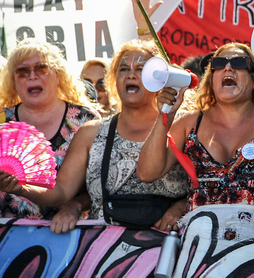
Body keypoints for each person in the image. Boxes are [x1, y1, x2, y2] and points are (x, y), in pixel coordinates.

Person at [0, 41, 190, 233]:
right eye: (124, 69)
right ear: (114, 80)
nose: (131, 74)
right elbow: (61, 191)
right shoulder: (90, 132)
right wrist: (20, 189)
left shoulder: (184, 125)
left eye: (141, 69)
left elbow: (209, 184)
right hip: (101, 251)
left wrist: (181, 206)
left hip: (168, 247)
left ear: (161, 78)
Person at [137, 43, 254, 211]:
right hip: (202, 232)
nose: (227, 68)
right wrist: (165, 116)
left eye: (238, 63)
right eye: (218, 64)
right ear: (211, 80)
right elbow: (147, 173)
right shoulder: (189, 122)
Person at [0, 38, 101, 219]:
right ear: (13, 81)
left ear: (58, 75)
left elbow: (103, 186)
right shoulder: (2, 122)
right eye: (22, 71)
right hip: (7, 235)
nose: (32, 76)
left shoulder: (85, 120)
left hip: (71, 235)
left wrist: (76, 205)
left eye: (41, 68)